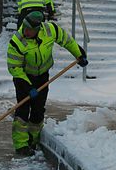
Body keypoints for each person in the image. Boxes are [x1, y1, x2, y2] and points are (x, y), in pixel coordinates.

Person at [7, 11, 88, 156]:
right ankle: (21, 145)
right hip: (23, 77)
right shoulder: (17, 41)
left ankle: (33, 140)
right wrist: (28, 87)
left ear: (38, 28)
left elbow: (67, 41)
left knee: (38, 110)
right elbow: (14, 68)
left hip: (42, 76)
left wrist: (79, 55)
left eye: (29, 30)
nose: (25, 31)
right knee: (23, 110)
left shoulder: (51, 30)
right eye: (24, 28)